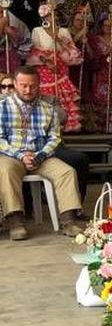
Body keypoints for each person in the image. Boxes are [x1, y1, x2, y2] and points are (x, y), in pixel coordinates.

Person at [0, 67, 85, 239]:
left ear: (39, 85)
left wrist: (40, 156)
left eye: (32, 86)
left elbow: (54, 138)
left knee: (66, 172)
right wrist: (21, 156)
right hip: (12, 156)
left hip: (41, 156)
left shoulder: (48, 108)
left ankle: (68, 221)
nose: (28, 90)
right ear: (15, 84)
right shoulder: (2, 107)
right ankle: (16, 222)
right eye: (23, 85)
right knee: (6, 171)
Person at [26, 5, 83, 133]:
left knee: (62, 96)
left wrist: (58, 39)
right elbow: (34, 51)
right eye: (48, 15)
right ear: (43, 17)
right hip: (44, 69)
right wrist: (47, 62)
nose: (52, 17)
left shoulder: (63, 31)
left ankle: (65, 126)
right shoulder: (37, 31)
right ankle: (45, 126)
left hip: (61, 68)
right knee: (47, 95)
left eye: (53, 14)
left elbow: (72, 51)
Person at [82, 11, 112, 133]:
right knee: (99, 98)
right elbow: (91, 55)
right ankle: (99, 126)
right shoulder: (95, 39)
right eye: (106, 25)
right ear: (101, 26)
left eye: (110, 25)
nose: (108, 28)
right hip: (100, 72)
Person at [0, 6, 30, 74]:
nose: (2, 15)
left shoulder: (14, 29)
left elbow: (26, 49)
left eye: (2, 12)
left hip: (13, 67)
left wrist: (11, 33)